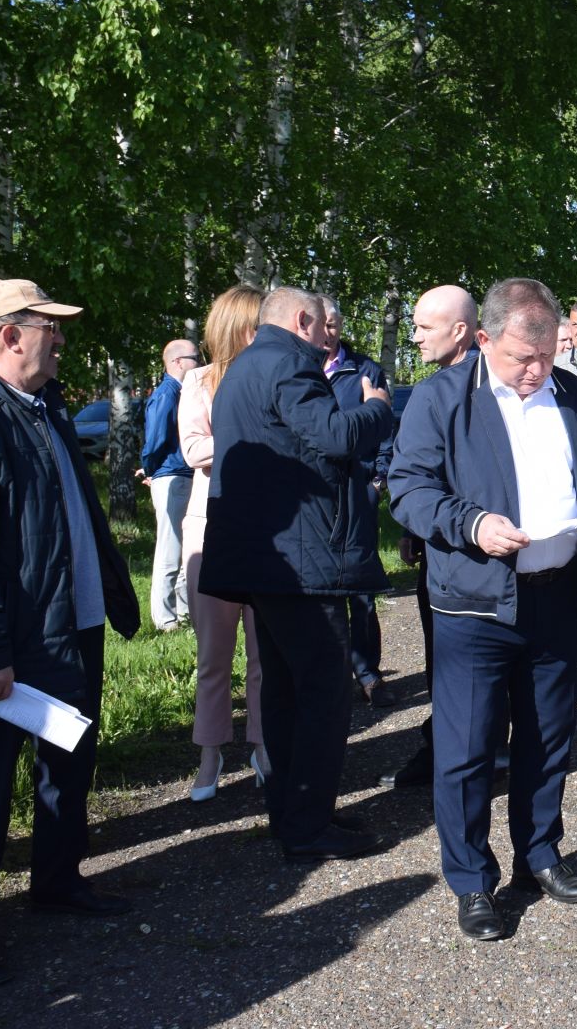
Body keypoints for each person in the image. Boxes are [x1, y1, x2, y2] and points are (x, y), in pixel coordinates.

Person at [387, 278, 577, 942]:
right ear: (483, 339)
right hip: (474, 605)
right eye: (522, 359)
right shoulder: (442, 399)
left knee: (548, 739)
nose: (535, 371)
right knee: (466, 751)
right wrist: (472, 526)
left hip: (556, 593)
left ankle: (540, 857)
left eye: (546, 357)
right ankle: (471, 882)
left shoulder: (575, 395)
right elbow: (408, 490)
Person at [0, 279, 141, 988]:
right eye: (49, 326)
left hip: (66, 625)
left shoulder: (40, 403)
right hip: (8, 645)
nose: (61, 337)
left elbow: (73, 515)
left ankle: (57, 881)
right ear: (9, 336)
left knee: (67, 763)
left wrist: (108, 593)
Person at [200, 286, 394, 863]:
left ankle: (293, 814)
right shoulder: (289, 364)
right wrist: (378, 406)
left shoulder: (243, 368)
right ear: (303, 319)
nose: (329, 337)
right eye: (324, 326)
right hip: (301, 560)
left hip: (267, 558)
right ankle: (307, 825)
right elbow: (335, 437)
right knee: (322, 693)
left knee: (285, 691)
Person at [384, 284, 478, 790]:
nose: (415, 337)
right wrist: (411, 531)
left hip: (466, 555)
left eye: (424, 327)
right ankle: (446, 742)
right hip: (439, 542)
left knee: (457, 662)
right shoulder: (438, 386)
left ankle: (457, 752)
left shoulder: (473, 388)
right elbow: (419, 474)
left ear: (459, 331)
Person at [179, 285, 269, 802]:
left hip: (265, 532)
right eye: (258, 325)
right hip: (209, 529)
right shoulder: (199, 380)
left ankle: (261, 745)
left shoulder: (272, 377)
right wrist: (257, 439)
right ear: (236, 328)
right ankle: (210, 751)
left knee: (264, 653)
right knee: (214, 654)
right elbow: (194, 449)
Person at [319, 295, 395, 708]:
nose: (328, 333)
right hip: (314, 497)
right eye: (322, 324)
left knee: (360, 587)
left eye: (334, 325)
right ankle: (329, 676)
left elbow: (384, 430)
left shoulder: (364, 370)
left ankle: (369, 673)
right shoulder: (300, 372)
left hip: (358, 491)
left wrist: (376, 481)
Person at [139, 338, 200, 631]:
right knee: (169, 548)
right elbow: (156, 439)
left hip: (181, 475)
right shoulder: (166, 394)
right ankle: (164, 619)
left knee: (185, 548)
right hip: (171, 475)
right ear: (177, 362)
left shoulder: (181, 392)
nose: (198, 363)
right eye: (195, 358)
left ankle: (183, 612)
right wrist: (152, 469)